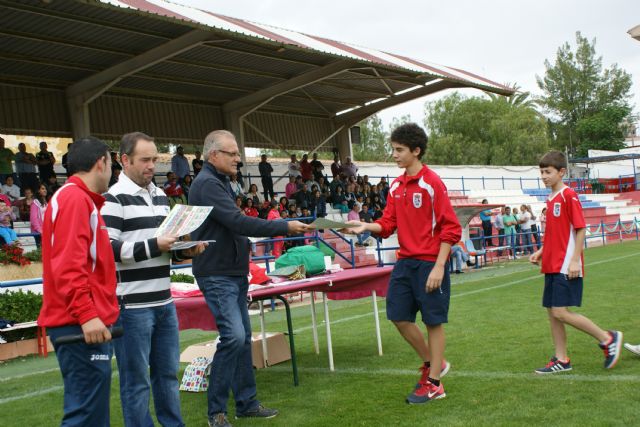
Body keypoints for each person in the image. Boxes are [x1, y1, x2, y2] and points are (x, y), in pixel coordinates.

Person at [189, 130, 309, 427]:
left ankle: (246, 403)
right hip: (217, 273)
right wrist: (282, 225)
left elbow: (234, 225)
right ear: (213, 155)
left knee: (242, 341)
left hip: (232, 271)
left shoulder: (219, 183)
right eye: (232, 153)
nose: (238, 159)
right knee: (235, 337)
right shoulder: (206, 184)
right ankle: (216, 411)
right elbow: (237, 221)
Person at [345, 123, 461, 404]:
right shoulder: (396, 185)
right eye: (393, 149)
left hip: (430, 263)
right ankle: (434, 363)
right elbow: (387, 225)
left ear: (416, 151)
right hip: (405, 263)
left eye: (399, 150)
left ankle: (434, 383)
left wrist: (439, 266)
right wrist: (365, 226)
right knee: (398, 316)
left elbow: (451, 228)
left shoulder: (432, 183)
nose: (394, 155)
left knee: (433, 322)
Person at [101, 132, 205, 427]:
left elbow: (163, 248)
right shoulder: (112, 199)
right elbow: (109, 250)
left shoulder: (160, 196)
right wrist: (155, 245)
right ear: (124, 160)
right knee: (136, 383)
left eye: (155, 160)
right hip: (131, 307)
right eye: (145, 160)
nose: (152, 166)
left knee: (168, 375)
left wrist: (186, 251)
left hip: (164, 301)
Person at [37, 136, 118, 427]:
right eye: (112, 163)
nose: (113, 170)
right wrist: (87, 314)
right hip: (78, 322)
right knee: (85, 415)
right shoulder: (74, 198)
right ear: (101, 163)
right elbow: (69, 266)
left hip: (81, 320)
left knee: (91, 413)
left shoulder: (77, 198)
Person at [529, 150, 622, 374]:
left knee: (560, 312)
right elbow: (554, 233)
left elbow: (580, 229)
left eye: (548, 172)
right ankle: (562, 359)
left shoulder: (568, 195)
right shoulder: (550, 199)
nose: (544, 176)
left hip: (564, 264)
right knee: (552, 312)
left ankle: (607, 338)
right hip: (551, 262)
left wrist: (574, 261)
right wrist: (541, 251)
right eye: (541, 172)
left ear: (561, 172)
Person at [30, 184, 48, 248]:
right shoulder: (35, 202)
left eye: (45, 189)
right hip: (38, 232)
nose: (45, 190)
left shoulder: (46, 203)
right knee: (40, 252)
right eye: (42, 189)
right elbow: (33, 219)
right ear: (38, 191)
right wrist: (39, 230)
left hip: (46, 231)